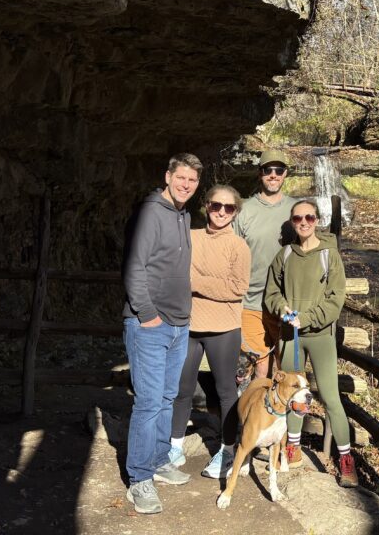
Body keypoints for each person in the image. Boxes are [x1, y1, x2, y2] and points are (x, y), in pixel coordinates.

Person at [121, 153, 202, 514]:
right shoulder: (152, 211)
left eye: (192, 180)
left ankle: (156, 461)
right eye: (181, 177)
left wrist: (182, 317)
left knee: (167, 397)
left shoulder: (183, 214)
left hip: (178, 325)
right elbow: (135, 266)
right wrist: (148, 315)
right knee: (149, 401)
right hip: (150, 325)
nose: (186, 184)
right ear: (168, 176)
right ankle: (139, 479)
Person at [264, 199, 359, 488]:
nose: (303, 222)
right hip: (290, 338)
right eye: (297, 218)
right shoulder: (285, 255)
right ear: (292, 222)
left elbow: (335, 299)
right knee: (291, 395)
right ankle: (291, 449)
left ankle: (345, 460)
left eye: (308, 217)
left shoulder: (329, 255)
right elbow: (272, 293)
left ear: (316, 220)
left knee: (330, 397)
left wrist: (306, 317)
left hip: (320, 337)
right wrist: (283, 310)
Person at [168, 185, 250, 480]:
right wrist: (210, 281)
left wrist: (196, 280)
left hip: (224, 328)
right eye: (216, 206)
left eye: (229, 208)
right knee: (181, 388)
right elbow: (177, 275)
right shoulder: (190, 237)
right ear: (206, 206)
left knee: (227, 390)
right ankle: (174, 445)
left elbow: (237, 288)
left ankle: (229, 452)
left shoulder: (238, 246)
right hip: (188, 325)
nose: (221, 212)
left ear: (236, 212)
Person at [233, 150, 297, 380]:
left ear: (285, 174)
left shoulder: (297, 211)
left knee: (285, 367)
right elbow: (232, 253)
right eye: (268, 170)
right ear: (260, 173)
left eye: (278, 170)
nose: (273, 175)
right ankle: (260, 414)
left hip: (285, 302)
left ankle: (283, 415)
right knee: (260, 367)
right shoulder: (244, 210)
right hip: (250, 301)